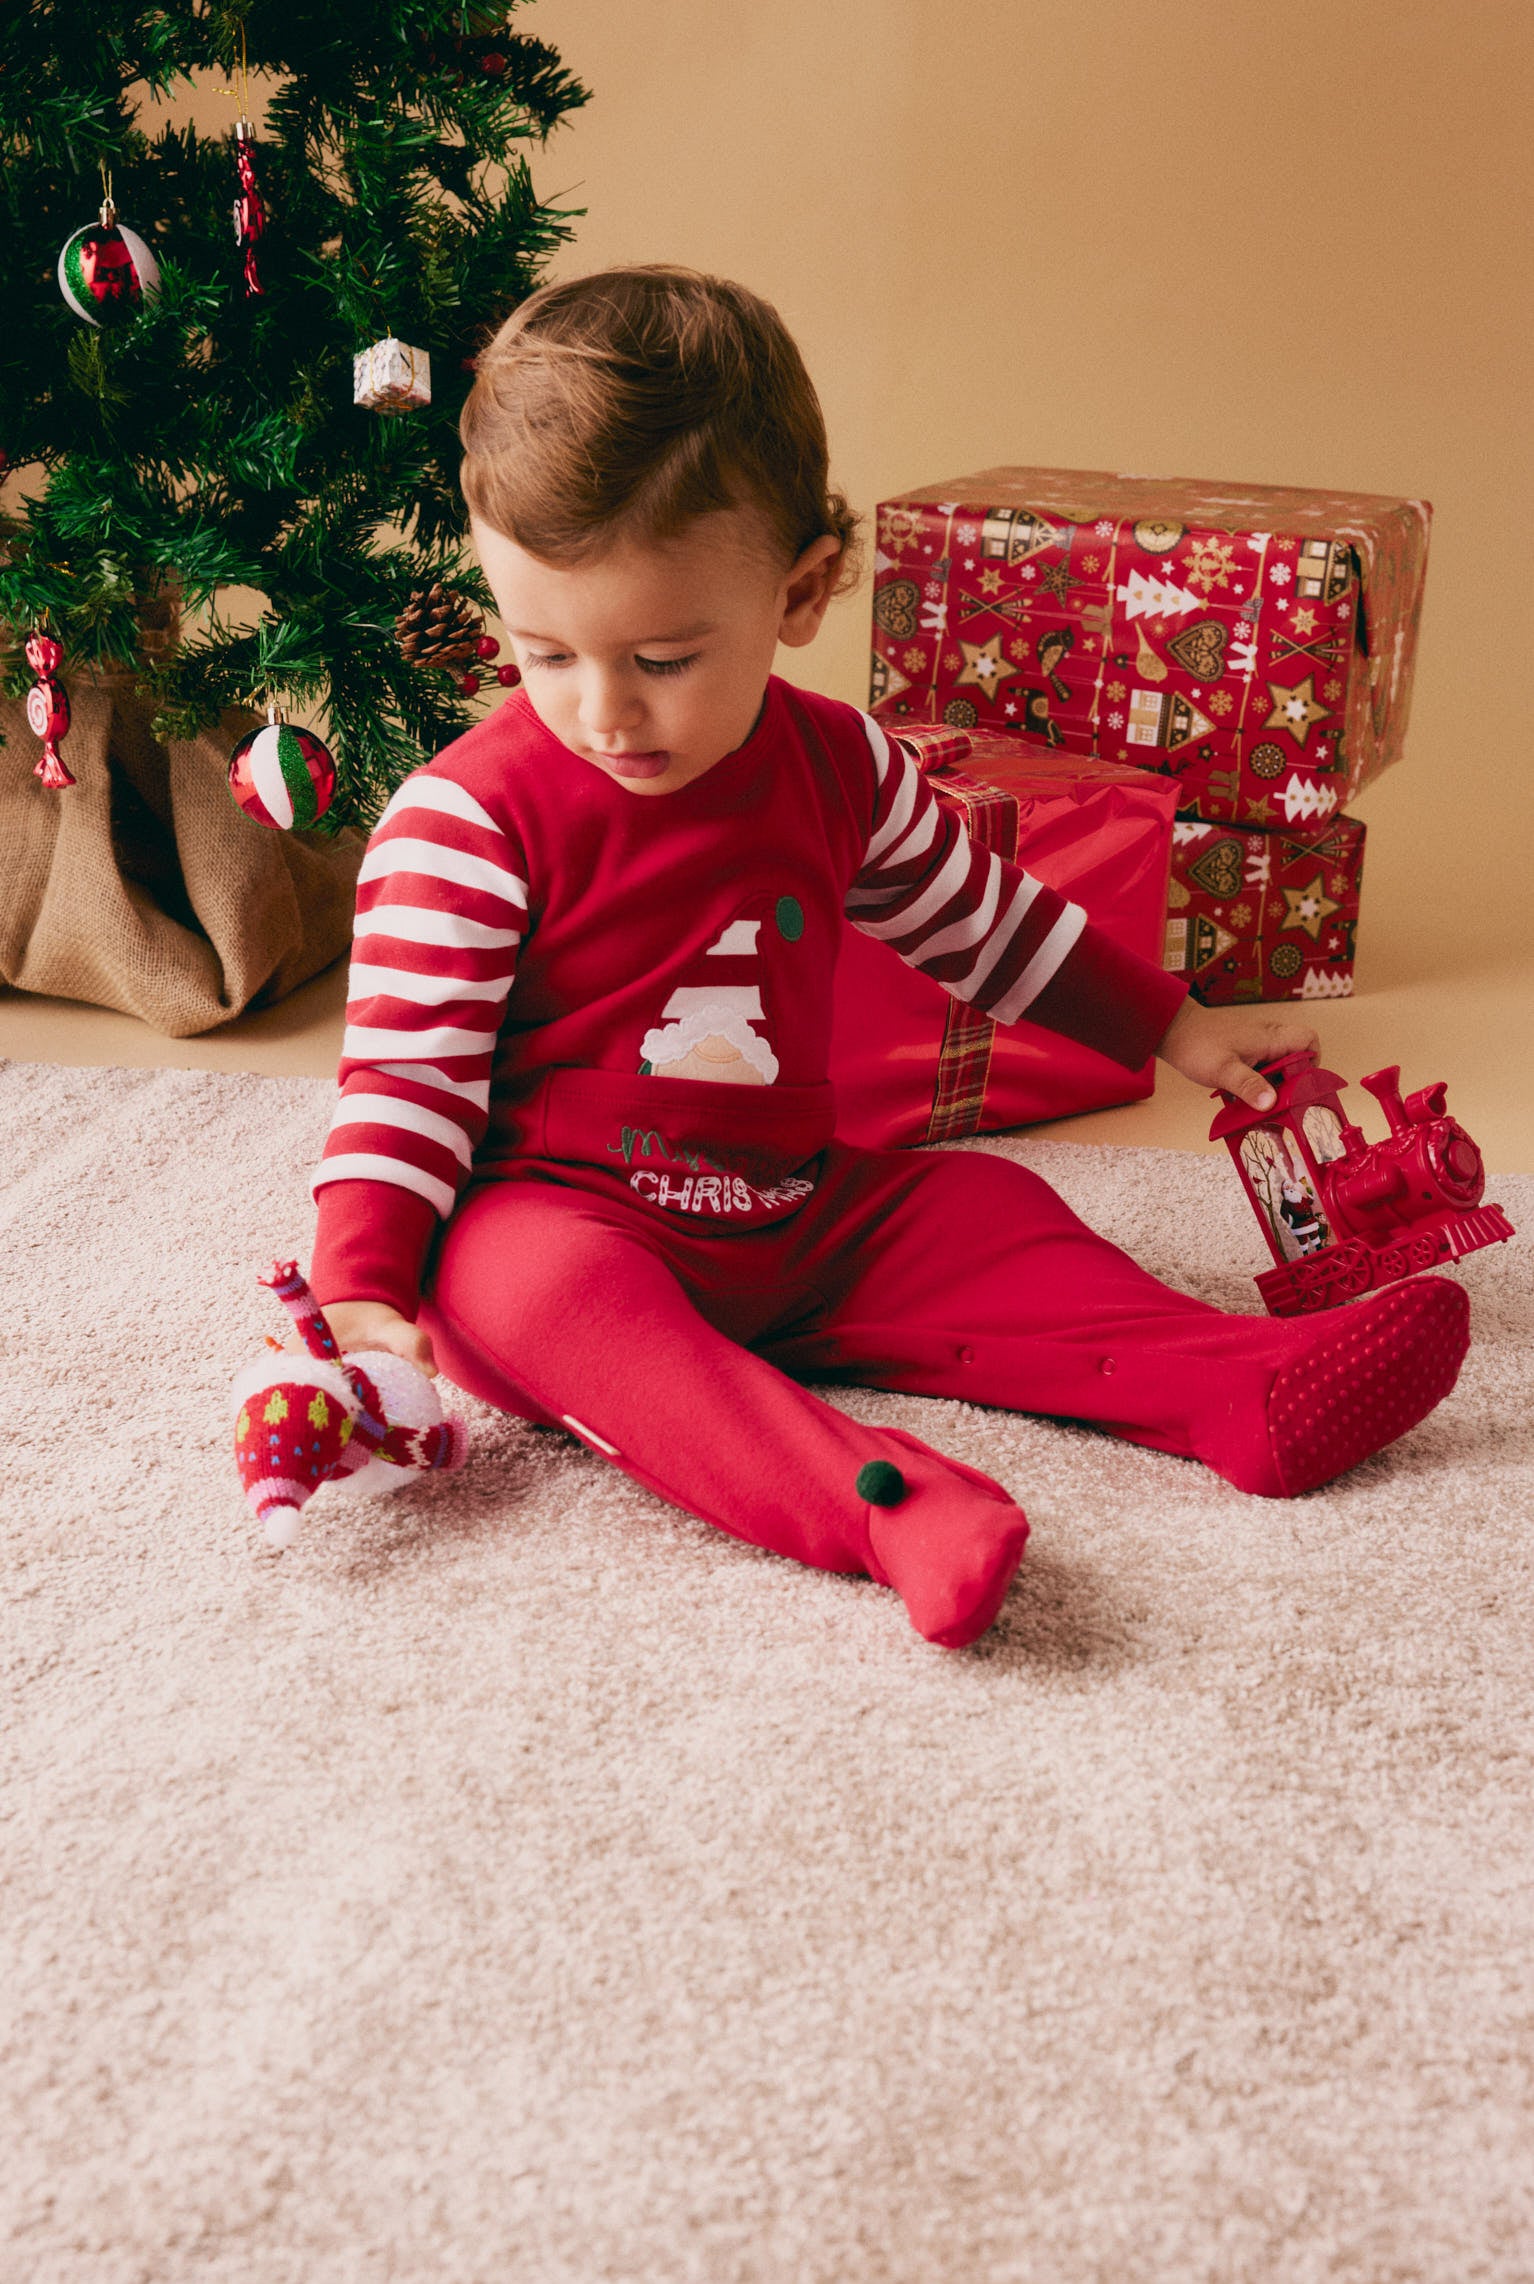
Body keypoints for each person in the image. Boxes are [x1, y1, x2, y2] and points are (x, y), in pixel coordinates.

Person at [306, 266, 1468, 1649]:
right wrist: (363, 1291)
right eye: (542, 651)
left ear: (801, 592)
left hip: (793, 1205)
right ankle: (880, 1503)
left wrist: (1173, 1028)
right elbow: (403, 1084)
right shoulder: (466, 820)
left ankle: (1240, 1384)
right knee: (532, 1291)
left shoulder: (839, 763)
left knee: (982, 1209)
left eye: (667, 658)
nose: (601, 711)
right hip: (570, 1214)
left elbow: (985, 924)